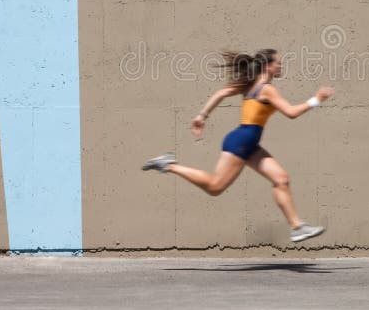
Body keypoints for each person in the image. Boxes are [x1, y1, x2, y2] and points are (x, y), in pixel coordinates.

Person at [142, 48, 334, 243]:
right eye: (278, 63)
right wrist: (316, 100)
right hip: (241, 142)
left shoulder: (250, 85)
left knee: (281, 179)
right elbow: (291, 112)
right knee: (215, 187)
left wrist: (202, 116)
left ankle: (297, 228)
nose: (281, 66)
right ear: (268, 66)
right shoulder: (267, 89)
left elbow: (221, 93)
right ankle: (169, 165)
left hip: (249, 144)